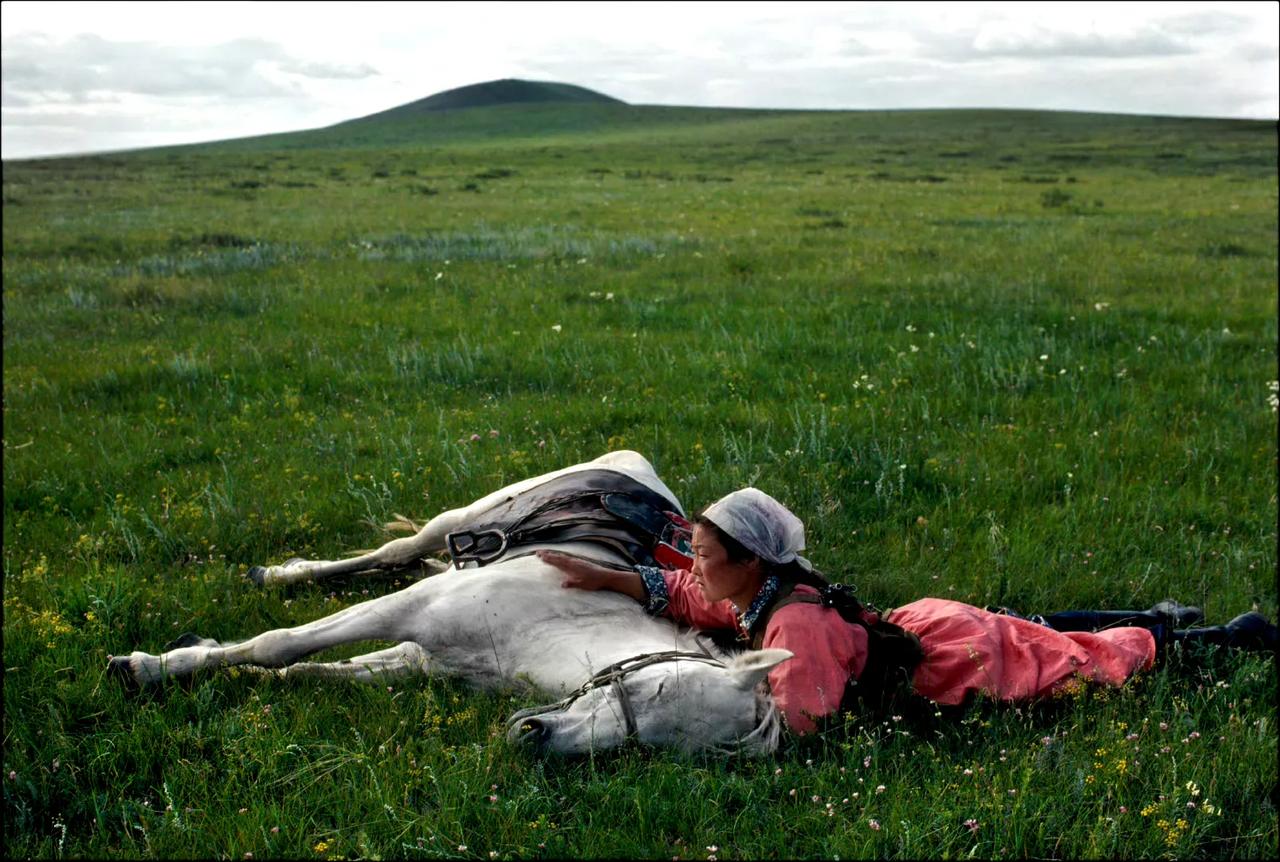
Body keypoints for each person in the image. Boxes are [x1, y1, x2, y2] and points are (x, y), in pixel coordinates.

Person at [536, 487, 1278, 735]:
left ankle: (1216, 639)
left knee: (1076, 662)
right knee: (1040, 628)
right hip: (921, 624)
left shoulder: (792, 626)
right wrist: (615, 581)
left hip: (944, 665)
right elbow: (703, 601)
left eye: (703, 551)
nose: (693, 563)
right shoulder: (768, 592)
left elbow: (802, 725)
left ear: (751, 560)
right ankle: (1161, 618)